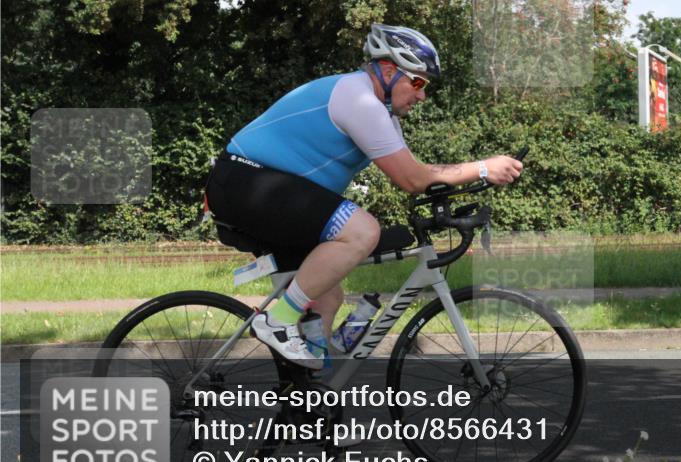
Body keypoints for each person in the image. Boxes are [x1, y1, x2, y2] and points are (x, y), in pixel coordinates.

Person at [204, 24, 523, 369]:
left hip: (264, 190)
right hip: (242, 181)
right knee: (362, 231)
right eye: (418, 82)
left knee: (327, 297)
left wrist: (458, 192)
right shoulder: (358, 100)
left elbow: (419, 173)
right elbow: (412, 178)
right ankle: (277, 321)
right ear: (387, 69)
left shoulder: (379, 113)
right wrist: (483, 168)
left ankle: (305, 394)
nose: (422, 96)